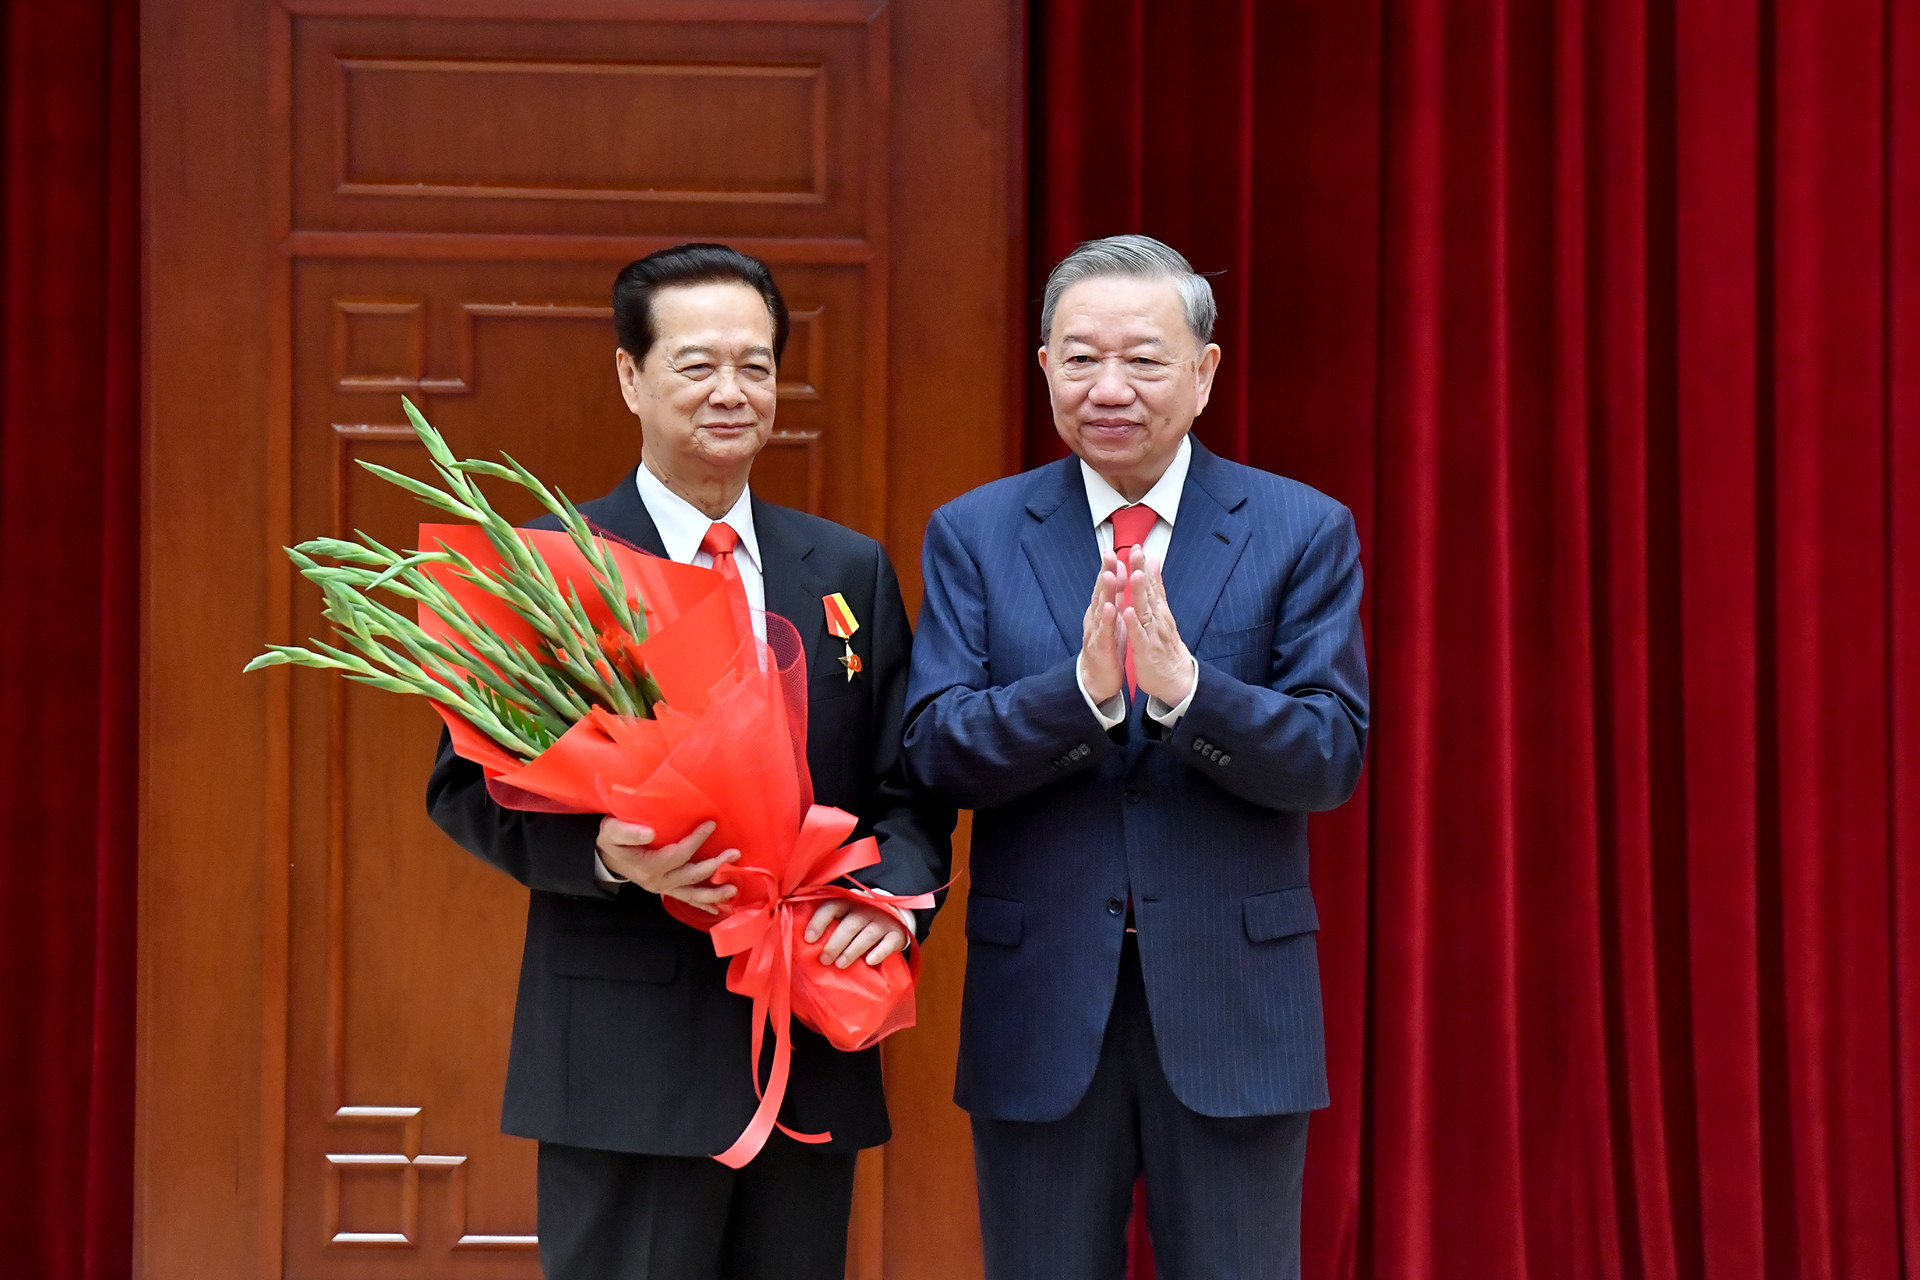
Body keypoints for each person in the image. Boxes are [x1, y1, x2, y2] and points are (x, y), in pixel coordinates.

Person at [426, 243, 953, 1280]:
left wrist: (884, 895)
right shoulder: (553, 566)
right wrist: (612, 858)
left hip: (805, 1042)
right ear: (631, 376)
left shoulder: (847, 568)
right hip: (625, 1053)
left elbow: (909, 783)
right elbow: (463, 784)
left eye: (755, 366)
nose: (732, 391)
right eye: (697, 364)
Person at [903, 234, 1368, 1280]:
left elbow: (1330, 754)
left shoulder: (1299, 529)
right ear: (1045, 370)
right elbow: (935, 749)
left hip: (1235, 1003)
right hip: (1041, 1008)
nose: (1109, 387)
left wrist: (1190, 691)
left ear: (1204, 372)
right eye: (1080, 358)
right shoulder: (976, 533)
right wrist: (1081, 696)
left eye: (1144, 359)